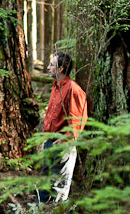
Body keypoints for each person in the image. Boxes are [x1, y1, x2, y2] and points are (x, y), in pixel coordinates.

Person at [38, 51, 87, 203]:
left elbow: (78, 119)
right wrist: (45, 140)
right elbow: (51, 117)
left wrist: (65, 140)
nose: (47, 67)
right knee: (44, 185)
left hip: (63, 146)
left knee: (58, 191)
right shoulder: (55, 87)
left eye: (51, 65)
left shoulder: (73, 89)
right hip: (50, 143)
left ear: (60, 69)